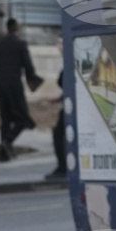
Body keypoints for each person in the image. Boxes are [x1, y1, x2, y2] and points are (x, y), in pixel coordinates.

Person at [0, 18, 39, 161]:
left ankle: (3, 153)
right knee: (22, 117)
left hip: (0, 83)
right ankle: (7, 141)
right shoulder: (20, 44)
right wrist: (32, 78)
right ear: (18, 30)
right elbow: (28, 66)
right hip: (14, 83)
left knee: (5, 118)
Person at [48, 38, 68, 180]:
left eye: (61, 43)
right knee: (59, 134)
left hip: (73, 108)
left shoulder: (71, 60)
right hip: (68, 105)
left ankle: (63, 167)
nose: (58, 46)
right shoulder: (67, 61)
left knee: (59, 134)